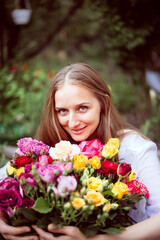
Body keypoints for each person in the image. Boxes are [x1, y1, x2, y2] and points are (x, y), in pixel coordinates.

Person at [0, 63, 160, 240]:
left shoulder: (135, 149)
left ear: (103, 103)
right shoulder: (50, 148)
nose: (72, 122)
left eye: (82, 108)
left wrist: (99, 239)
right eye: (62, 111)